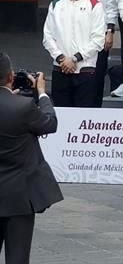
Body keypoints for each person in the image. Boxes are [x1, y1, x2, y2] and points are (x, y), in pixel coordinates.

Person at [0, 55, 63, 264]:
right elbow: (50, 123)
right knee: (17, 257)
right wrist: (42, 93)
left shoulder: (20, 106)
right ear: (10, 77)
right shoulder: (23, 107)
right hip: (19, 195)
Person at [44, 0, 106, 108]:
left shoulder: (95, 5)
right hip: (60, 68)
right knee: (61, 115)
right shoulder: (55, 5)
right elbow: (47, 37)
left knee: (83, 116)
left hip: (85, 70)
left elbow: (98, 40)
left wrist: (75, 58)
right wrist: (61, 58)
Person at [69, 0, 118, 107]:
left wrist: (110, 31)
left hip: (99, 36)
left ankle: (95, 110)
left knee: (97, 77)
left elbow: (111, 8)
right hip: (77, 36)